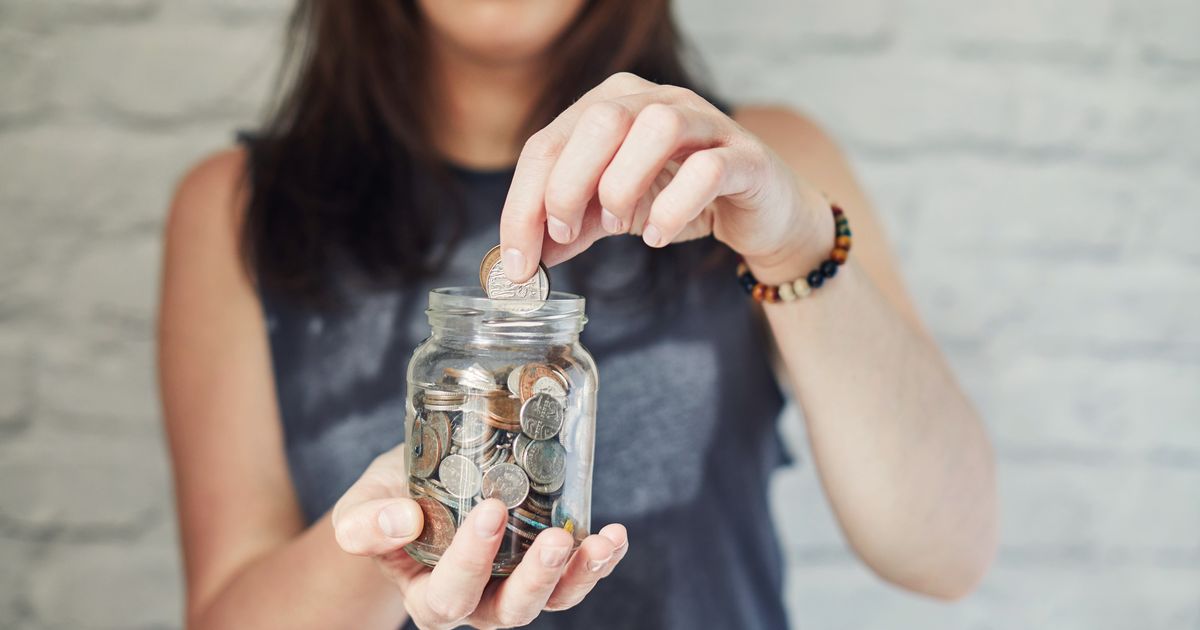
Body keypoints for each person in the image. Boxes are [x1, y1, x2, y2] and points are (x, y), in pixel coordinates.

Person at [157, 1, 998, 628]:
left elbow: (945, 552)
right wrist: (391, 539)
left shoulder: (763, 163)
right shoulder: (235, 209)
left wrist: (796, 245)